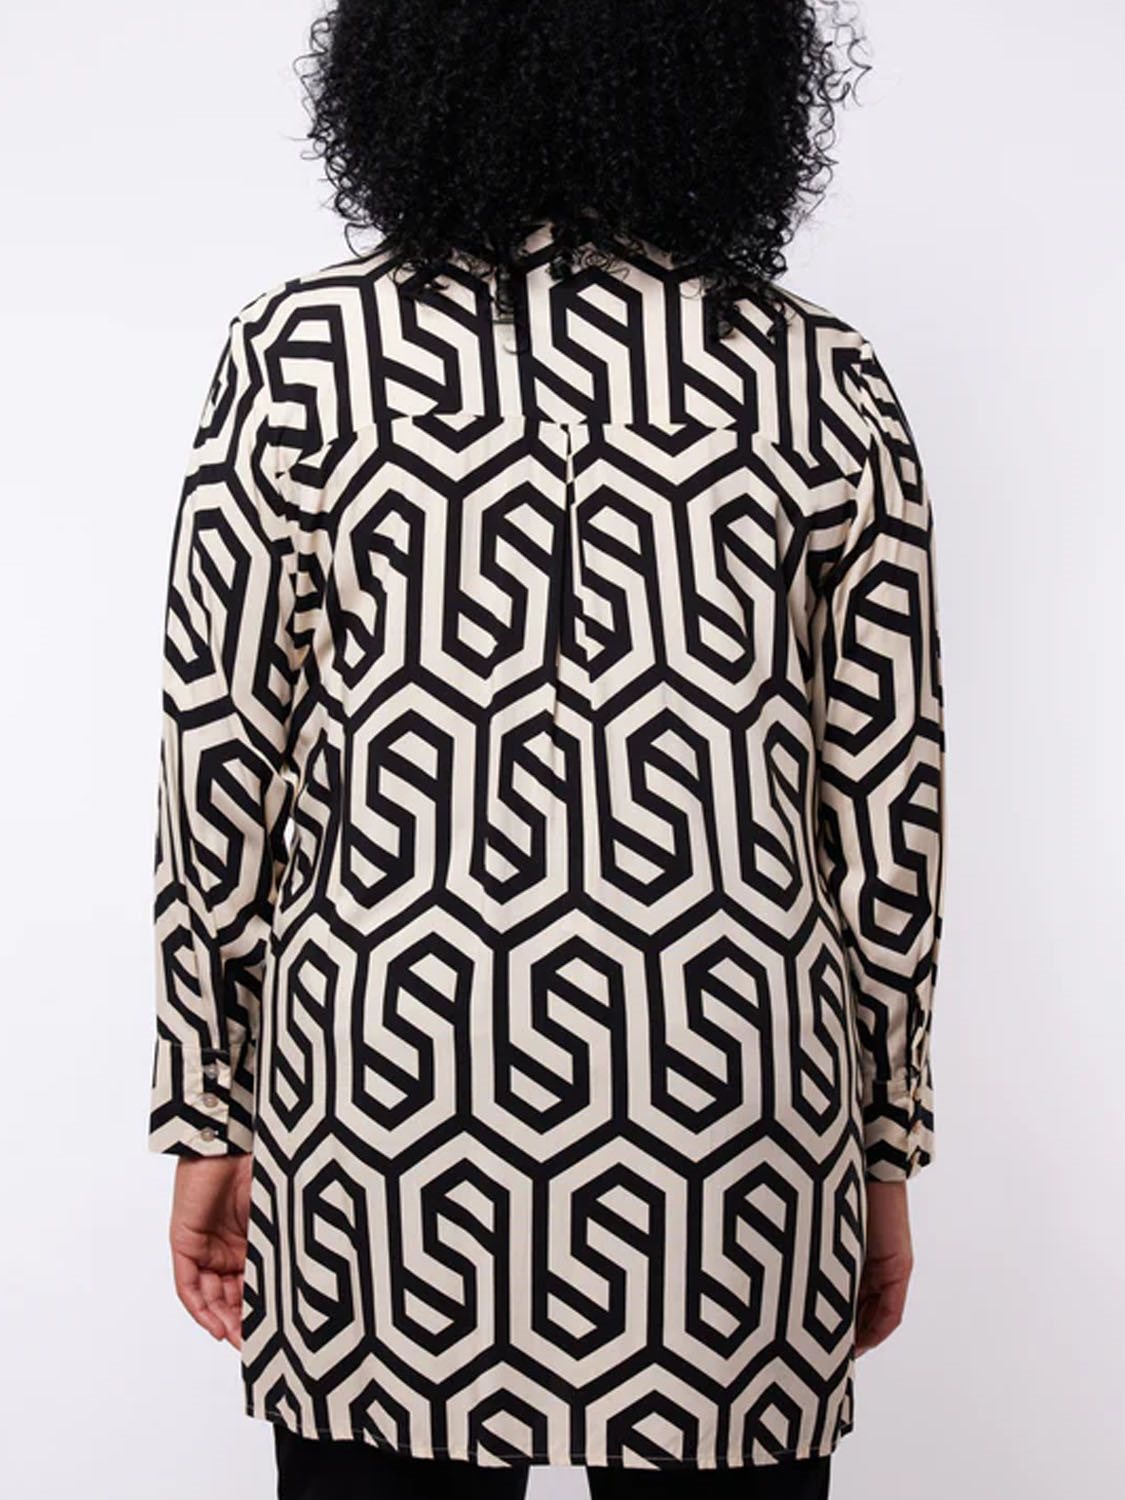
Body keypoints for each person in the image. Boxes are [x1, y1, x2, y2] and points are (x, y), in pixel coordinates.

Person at [146, 3, 947, 1497]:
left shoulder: (301, 358)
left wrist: (207, 1109)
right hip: (736, 1119)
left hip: (387, 1105)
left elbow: (220, 765)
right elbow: (886, 814)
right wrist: (882, 1152)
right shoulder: (825, 382)